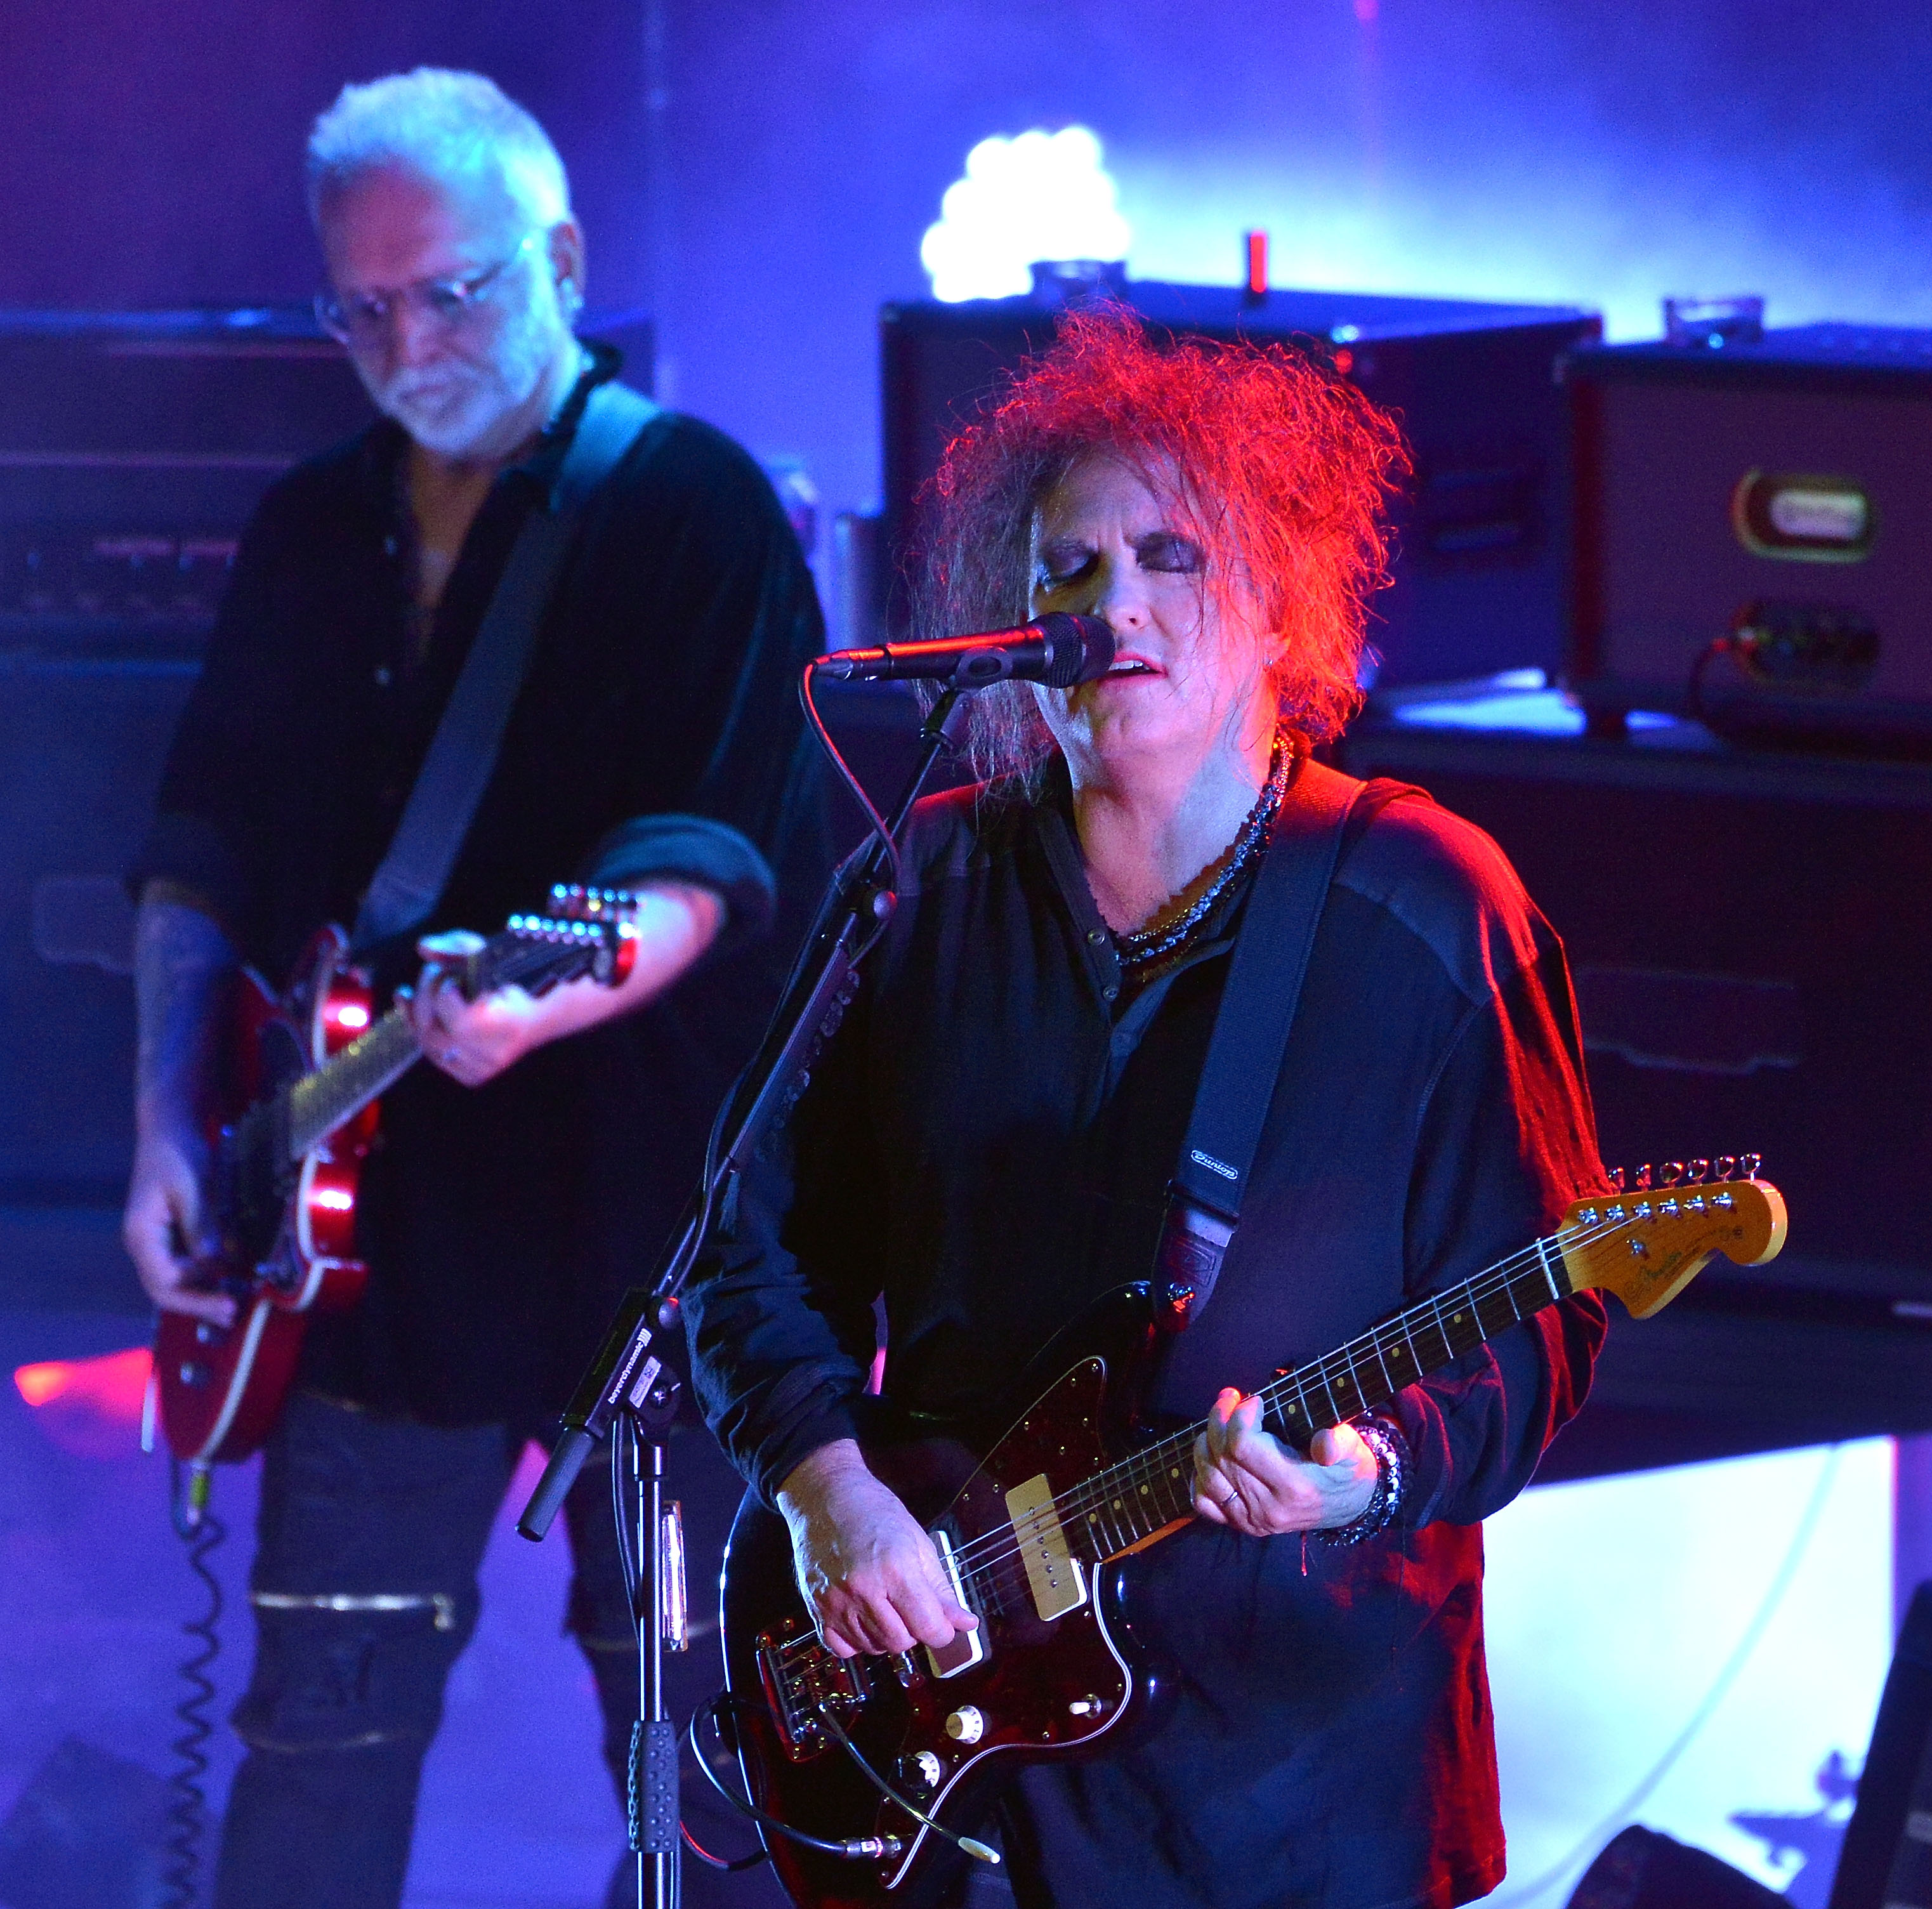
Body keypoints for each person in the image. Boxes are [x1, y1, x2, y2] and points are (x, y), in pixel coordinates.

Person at [688, 306, 1613, 1908]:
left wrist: (1368, 1470)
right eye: (1068, 567)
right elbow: (743, 1247)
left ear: (1283, 600)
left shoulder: (1427, 907)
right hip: (968, 1768)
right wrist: (832, 1493)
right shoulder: (921, 885)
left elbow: (1545, 1307)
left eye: (1170, 556)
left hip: (1301, 1787)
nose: (1109, 603)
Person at [121, 69, 820, 1909]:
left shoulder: (693, 510)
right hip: (366, 1242)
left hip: (650, 1232)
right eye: (360, 307)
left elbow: (717, 863)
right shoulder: (307, 530)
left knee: (700, 1755)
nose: (405, 345)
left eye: (450, 292)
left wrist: (546, 1000)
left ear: (564, 259)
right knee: (317, 1738)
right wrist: (164, 1124)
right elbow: (200, 844)